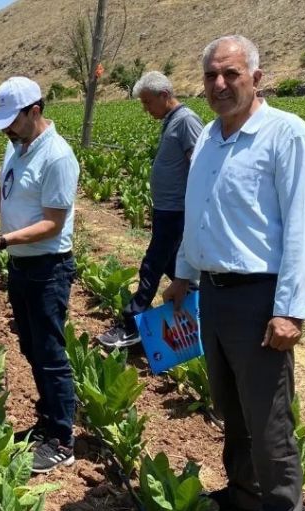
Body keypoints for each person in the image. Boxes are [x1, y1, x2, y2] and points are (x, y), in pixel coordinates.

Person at [161, 35, 305, 511]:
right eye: (211, 75)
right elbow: (199, 212)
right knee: (229, 406)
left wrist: (290, 309)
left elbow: (302, 229)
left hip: (260, 299)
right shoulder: (209, 136)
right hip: (213, 295)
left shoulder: (287, 135)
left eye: (230, 74)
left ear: (257, 77)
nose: (219, 84)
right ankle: (244, 496)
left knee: (269, 423)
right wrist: (183, 274)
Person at [0, 76, 80, 474]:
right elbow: (5, 194)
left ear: (36, 111)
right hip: (21, 264)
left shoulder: (58, 157)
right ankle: (46, 423)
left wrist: (4, 239)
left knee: (50, 353)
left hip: (48, 268)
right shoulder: (17, 148)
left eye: (13, 121)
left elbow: (53, 222)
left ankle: (62, 439)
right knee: (31, 348)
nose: (8, 130)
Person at [97, 71, 204, 349]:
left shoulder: (186, 121)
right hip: (166, 209)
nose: (145, 109)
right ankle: (201, 313)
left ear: (164, 96)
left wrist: (192, 210)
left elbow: (200, 168)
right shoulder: (172, 121)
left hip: (177, 211)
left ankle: (132, 325)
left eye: (147, 102)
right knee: (172, 265)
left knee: (152, 265)